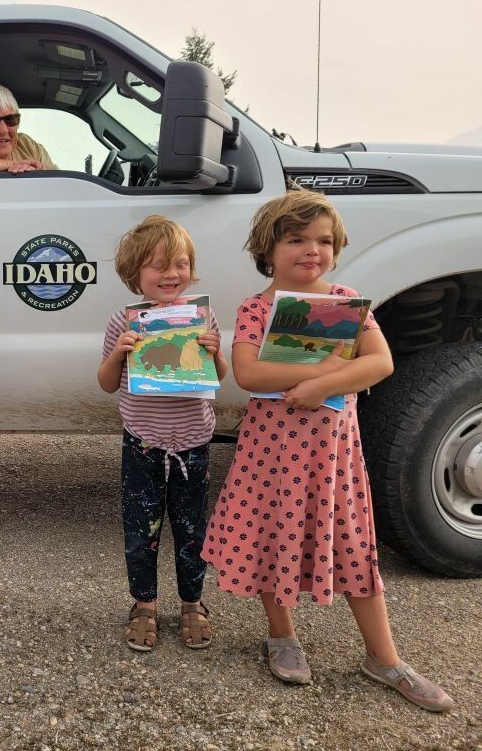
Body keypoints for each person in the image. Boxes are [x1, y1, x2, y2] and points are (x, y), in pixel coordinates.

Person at [201, 189, 453, 711]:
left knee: (355, 547)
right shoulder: (257, 308)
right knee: (269, 537)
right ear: (267, 249)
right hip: (271, 458)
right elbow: (248, 373)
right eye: (296, 239)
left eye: (323, 240)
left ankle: (384, 657)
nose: (311, 250)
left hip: (334, 461)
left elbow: (380, 362)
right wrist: (327, 370)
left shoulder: (346, 302)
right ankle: (281, 634)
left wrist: (318, 386)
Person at [97, 216, 228, 652]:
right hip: (143, 443)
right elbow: (106, 383)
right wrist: (118, 355)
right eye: (158, 265)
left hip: (193, 443)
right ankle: (144, 605)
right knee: (141, 530)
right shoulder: (124, 321)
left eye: (180, 263)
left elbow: (219, 377)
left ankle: (193, 603)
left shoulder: (202, 316)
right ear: (134, 272)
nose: (171, 274)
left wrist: (215, 354)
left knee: (192, 530)